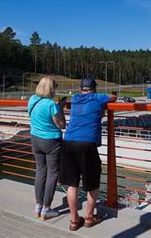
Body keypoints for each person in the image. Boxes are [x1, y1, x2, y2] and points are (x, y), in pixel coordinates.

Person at [59, 76, 116, 231]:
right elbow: (113, 97)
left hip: (69, 142)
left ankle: (74, 220)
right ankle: (89, 218)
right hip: (87, 144)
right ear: (94, 89)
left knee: (72, 184)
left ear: (81, 89)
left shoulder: (76, 98)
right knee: (92, 183)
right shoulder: (97, 98)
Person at [28, 76, 66, 220]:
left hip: (35, 139)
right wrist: (61, 108)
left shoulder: (32, 99)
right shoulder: (51, 104)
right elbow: (61, 125)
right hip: (51, 142)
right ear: (51, 88)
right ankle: (46, 209)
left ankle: (38, 206)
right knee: (52, 174)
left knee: (40, 171)